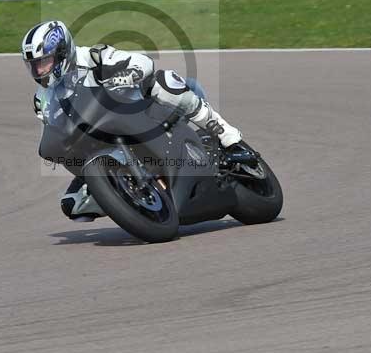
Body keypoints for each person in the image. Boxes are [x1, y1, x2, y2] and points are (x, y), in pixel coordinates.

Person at [22, 20, 256, 222]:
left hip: (140, 111)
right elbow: (51, 126)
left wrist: (130, 73)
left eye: (44, 62)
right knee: (73, 204)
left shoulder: (94, 57)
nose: (39, 70)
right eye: (34, 65)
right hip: (98, 142)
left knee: (165, 82)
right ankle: (129, 198)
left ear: (62, 52)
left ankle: (226, 135)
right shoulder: (42, 97)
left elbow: (141, 61)